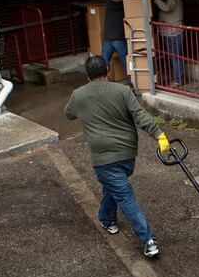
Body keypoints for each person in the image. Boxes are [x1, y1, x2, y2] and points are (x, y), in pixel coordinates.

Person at [65, 56, 169, 258]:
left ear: (87, 76)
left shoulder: (78, 95)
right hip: (127, 154)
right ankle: (106, 218)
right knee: (114, 187)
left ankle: (147, 239)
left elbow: (69, 114)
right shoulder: (123, 91)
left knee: (124, 196)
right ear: (107, 70)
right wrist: (159, 135)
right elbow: (140, 115)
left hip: (104, 158)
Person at [149, 0, 185, 87]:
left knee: (175, 56)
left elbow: (166, 8)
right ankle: (177, 78)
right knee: (174, 56)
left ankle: (178, 80)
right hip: (170, 33)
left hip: (173, 33)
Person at [101, 0, 132, 88]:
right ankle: (130, 82)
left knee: (104, 62)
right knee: (125, 61)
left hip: (107, 38)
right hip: (119, 38)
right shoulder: (124, 7)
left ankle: (102, 82)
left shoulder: (108, 6)